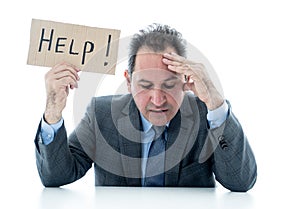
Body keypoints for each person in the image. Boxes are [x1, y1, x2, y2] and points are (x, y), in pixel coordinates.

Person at [34, 23, 257, 192]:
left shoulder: (204, 114)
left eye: (169, 85)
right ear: (129, 82)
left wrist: (216, 105)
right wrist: (53, 110)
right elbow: (55, 177)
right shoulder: (101, 114)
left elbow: (241, 182)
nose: (158, 100)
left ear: (186, 80)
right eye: (145, 85)